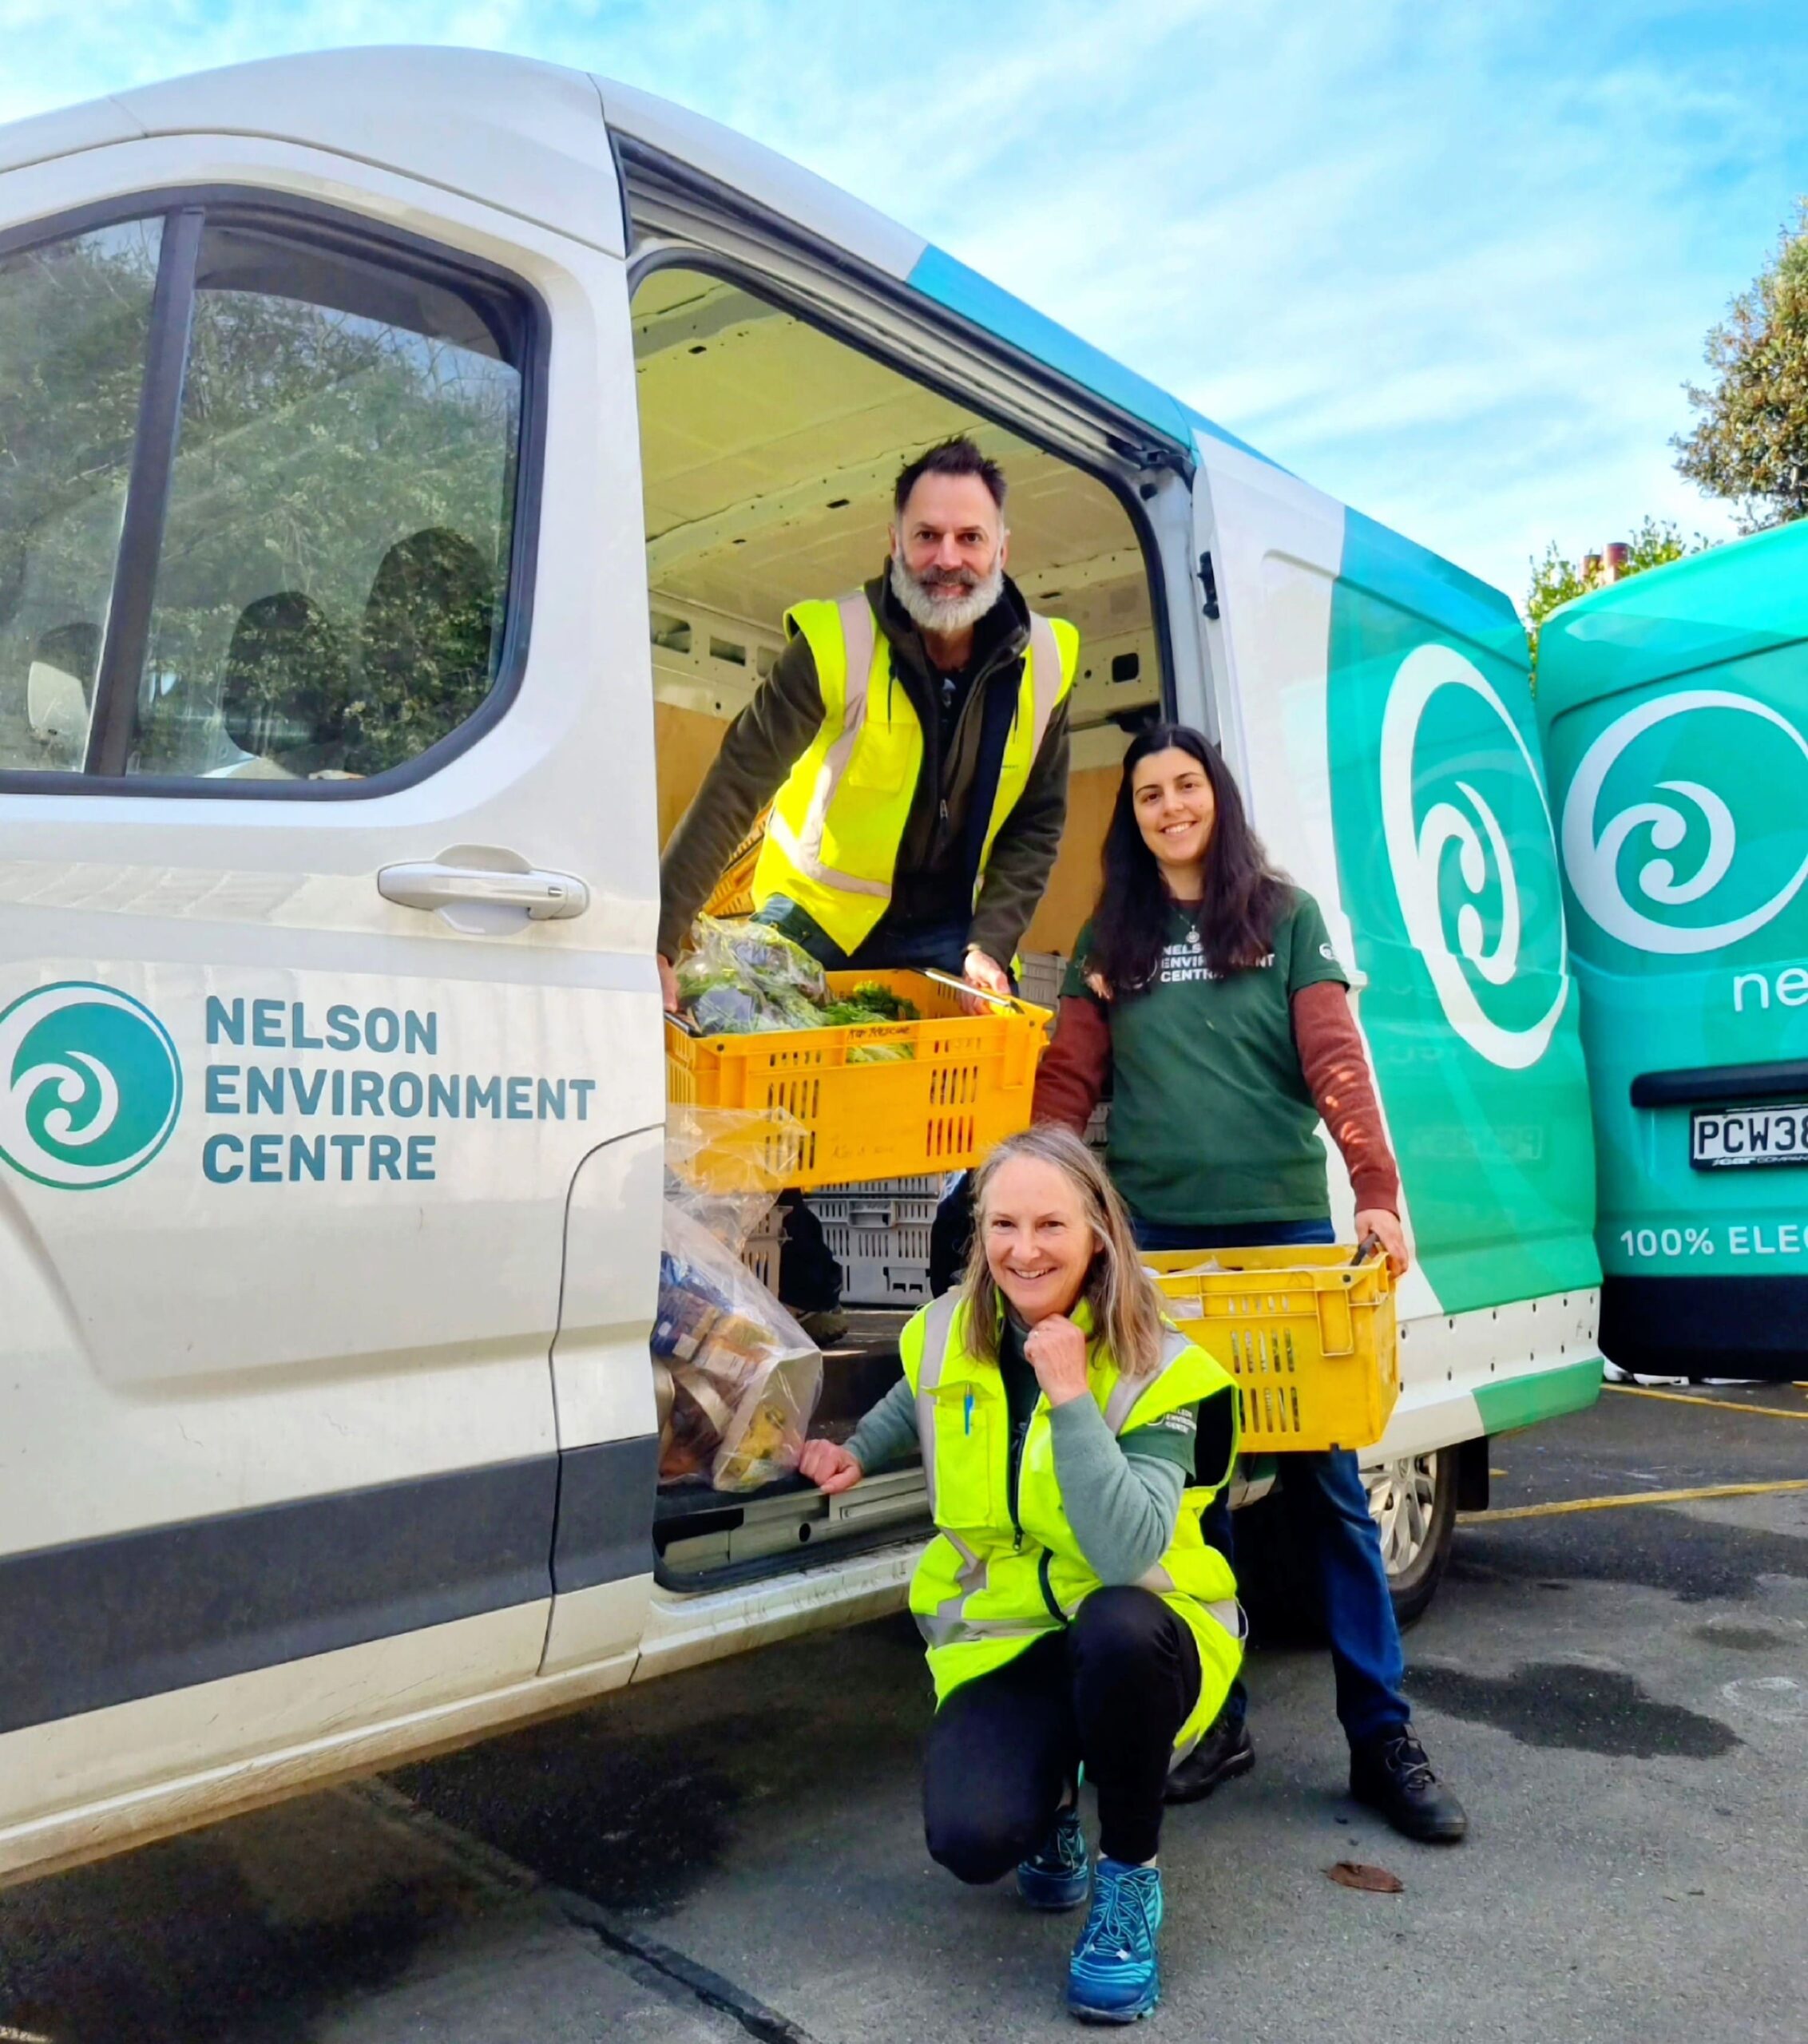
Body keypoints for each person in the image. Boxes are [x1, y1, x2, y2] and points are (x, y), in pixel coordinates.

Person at [1032, 723, 1469, 1846]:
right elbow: (1069, 1077)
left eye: (1186, 786)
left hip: (1279, 1237)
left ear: (1215, 796)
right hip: (1158, 1248)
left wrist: (1375, 1187)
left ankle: (1382, 1738)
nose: (1170, 806)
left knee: (1328, 1494)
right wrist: (1038, 1196)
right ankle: (1215, 1716)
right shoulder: (1110, 933)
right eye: (1148, 795)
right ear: (1130, 817)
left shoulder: (1282, 917)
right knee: (1188, 1496)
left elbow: (1333, 1055)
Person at [799, 1126, 1242, 2023]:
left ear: (1098, 1236)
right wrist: (852, 1451)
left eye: (1050, 1224)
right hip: (1002, 1634)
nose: (1024, 1248)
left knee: (1116, 1626)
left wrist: (1072, 1395)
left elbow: (1126, 1551)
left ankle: (1128, 1882)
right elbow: (909, 1396)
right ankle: (1046, 1812)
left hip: (1142, 1629)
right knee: (969, 1840)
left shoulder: (1160, 1365)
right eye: (1003, 1224)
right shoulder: (943, 1333)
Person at [656, 435, 1077, 1009]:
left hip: (954, 933)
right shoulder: (833, 643)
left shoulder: (1049, 661)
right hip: (814, 919)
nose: (948, 559)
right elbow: (735, 785)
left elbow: (1037, 823)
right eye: (927, 536)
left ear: (1002, 551)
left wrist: (992, 945)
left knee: (978, 1067)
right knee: (739, 1033)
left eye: (970, 538)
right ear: (895, 544)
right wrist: (656, 938)